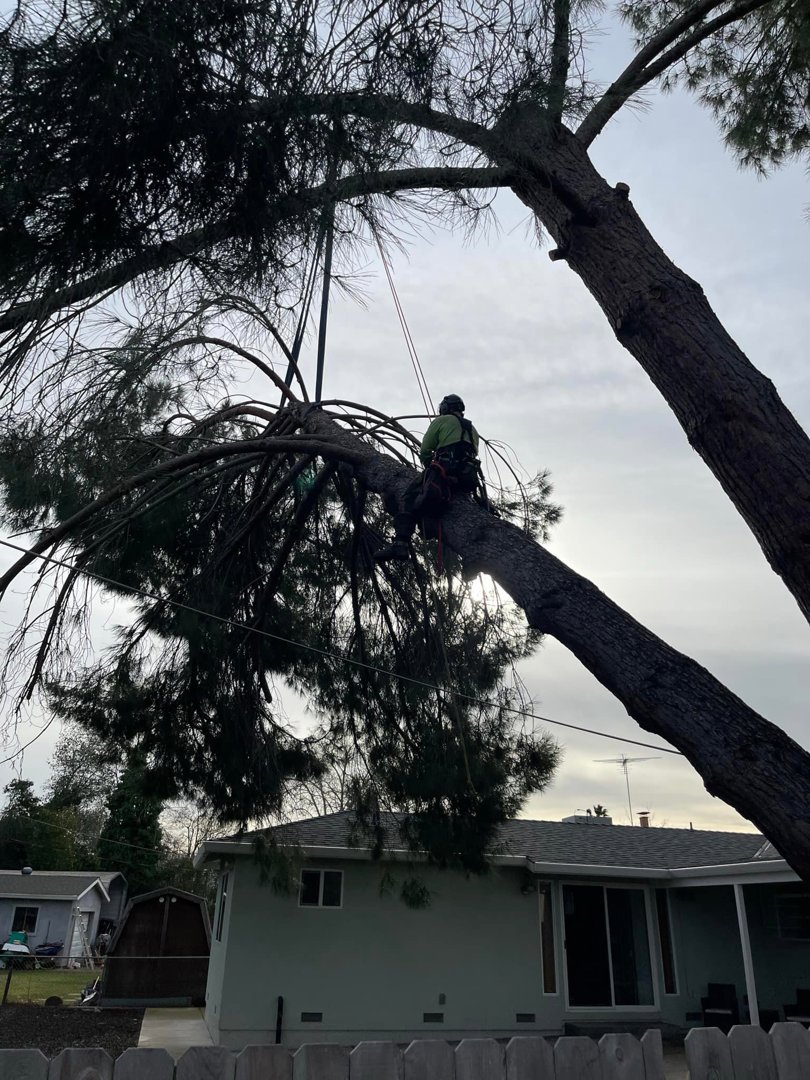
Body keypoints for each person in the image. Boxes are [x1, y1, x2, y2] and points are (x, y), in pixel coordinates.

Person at [374, 394, 481, 563]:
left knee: (410, 496)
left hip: (444, 471)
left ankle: (401, 543)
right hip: (466, 480)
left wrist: (429, 466)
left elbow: (425, 450)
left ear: (445, 408)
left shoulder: (441, 421)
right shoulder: (472, 429)